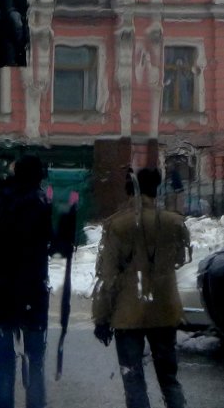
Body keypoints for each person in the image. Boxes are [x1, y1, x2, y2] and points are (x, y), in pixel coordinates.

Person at [0, 154, 64, 408]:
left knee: (4, 366)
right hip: (33, 295)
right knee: (35, 365)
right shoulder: (41, 207)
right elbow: (52, 245)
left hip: (0, 297)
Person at [92, 167, 191, 408]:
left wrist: (101, 318)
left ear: (129, 192)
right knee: (169, 379)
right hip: (164, 310)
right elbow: (179, 259)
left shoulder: (117, 226)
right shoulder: (174, 222)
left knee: (133, 378)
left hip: (128, 314)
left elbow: (107, 277)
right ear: (155, 190)